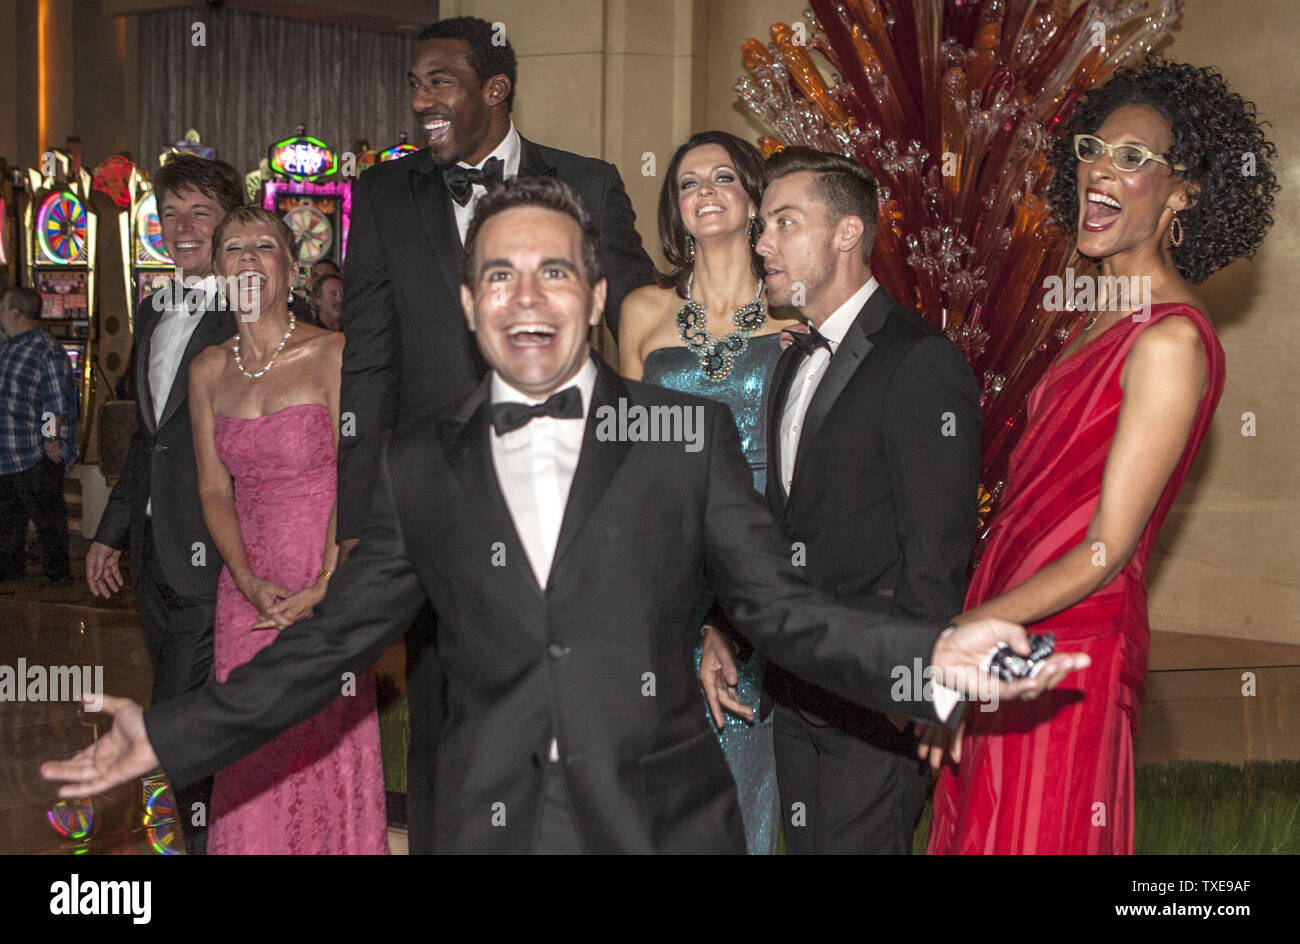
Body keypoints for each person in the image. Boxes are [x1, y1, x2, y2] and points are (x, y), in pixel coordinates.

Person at [42, 175, 1089, 853]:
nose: (526, 298)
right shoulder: (420, 463)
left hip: (665, 826)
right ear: (466, 306)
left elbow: (784, 611)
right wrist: (169, 734)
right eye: (498, 275)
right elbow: (329, 643)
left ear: (595, 298)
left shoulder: (686, 440)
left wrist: (933, 657)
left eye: (553, 272)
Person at [927, 60, 1277, 855]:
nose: (1099, 169)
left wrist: (964, 631)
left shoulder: (1171, 340)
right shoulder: (1097, 318)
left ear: (1183, 191)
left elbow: (1105, 547)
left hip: (1064, 647)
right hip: (1016, 630)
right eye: (1092, 148)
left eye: (1133, 157)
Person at [338, 14, 654, 851]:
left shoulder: (587, 184)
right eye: (413, 86)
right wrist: (355, 523)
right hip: (439, 504)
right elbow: (367, 369)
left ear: (495, 88)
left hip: (569, 501)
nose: (420, 102)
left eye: (437, 82)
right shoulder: (382, 198)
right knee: (445, 720)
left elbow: (641, 325)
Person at [700, 147, 981, 854]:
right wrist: (725, 625)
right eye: (762, 225)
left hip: (874, 705)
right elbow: (773, 520)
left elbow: (938, 550)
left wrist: (916, 687)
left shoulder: (918, 360)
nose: (761, 243)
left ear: (847, 233)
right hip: (798, 688)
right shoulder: (793, 354)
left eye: (784, 224)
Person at [619, 131, 801, 854]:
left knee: (743, 757)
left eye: (724, 176)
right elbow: (625, 456)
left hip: (761, 550)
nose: (706, 191)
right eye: (689, 182)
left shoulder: (796, 313)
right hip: (663, 552)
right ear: (675, 208)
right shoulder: (642, 311)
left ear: (753, 198)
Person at [186, 206, 386, 854]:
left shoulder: (331, 352)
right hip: (245, 595)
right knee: (252, 761)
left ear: (290, 266)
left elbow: (357, 475)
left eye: (263, 247)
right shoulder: (208, 370)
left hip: (324, 580)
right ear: (218, 270)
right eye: (234, 249)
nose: (248, 259)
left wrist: (327, 582)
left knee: (322, 749)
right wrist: (244, 579)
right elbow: (215, 488)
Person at [83, 153, 244, 855]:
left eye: (198, 212)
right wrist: (109, 533)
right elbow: (152, 440)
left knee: (174, 721)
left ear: (228, 221)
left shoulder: (254, 310)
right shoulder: (153, 308)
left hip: (218, 553)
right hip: (153, 556)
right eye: (169, 212)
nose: (180, 228)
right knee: (190, 719)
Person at [0, 286, 78, 584]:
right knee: (8, 525)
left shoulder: (47, 349)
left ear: (16, 312)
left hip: (35, 454)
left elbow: (54, 403)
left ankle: (59, 584)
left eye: (3, 308)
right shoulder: (9, 346)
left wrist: (51, 442)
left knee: (49, 525)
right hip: (7, 452)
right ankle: (11, 578)